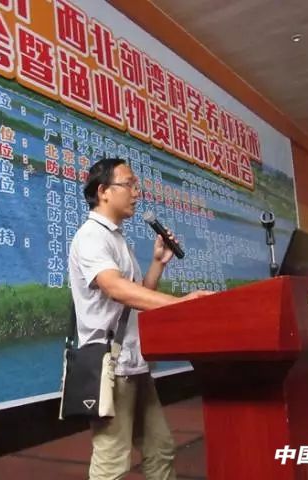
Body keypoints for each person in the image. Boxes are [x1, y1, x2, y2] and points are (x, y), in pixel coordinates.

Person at [68, 158, 213, 479]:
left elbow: (136, 298)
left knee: (160, 449)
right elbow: (115, 288)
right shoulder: (91, 236)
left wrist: (158, 263)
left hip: (135, 364)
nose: (136, 192)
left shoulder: (116, 238)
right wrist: (180, 305)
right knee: (112, 463)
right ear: (103, 191)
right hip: (112, 369)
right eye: (129, 184)